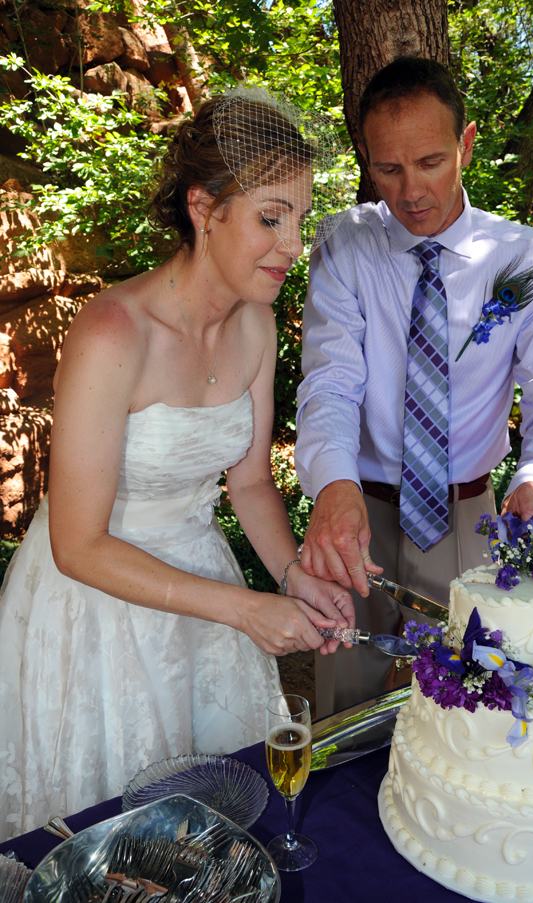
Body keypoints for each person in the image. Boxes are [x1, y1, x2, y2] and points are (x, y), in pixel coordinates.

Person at [0, 92, 354, 840]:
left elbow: (251, 480)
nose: (294, 244)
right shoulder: (111, 331)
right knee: (114, 832)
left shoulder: (257, 324)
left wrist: (294, 577)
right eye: (270, 217)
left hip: (202, 586)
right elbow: (78, 544)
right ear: (205, 208)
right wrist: (246, 607)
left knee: (209, 826)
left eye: (299, 218)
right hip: (93, 604)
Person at [295, 57, 533, 717]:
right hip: (356, 513)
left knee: (475, 712)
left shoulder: (527, 257)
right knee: (343, 712)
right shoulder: (344, 245)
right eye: (388, 169)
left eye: (430, 161)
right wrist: (333, 485)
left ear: (466, 144)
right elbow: (332, 381)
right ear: (366, 159)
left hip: (470, 517)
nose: (411, 193)